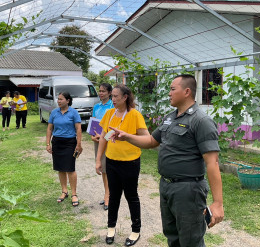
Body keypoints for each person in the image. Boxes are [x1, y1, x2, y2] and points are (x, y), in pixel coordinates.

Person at [109, 75, 224, 247]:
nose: (169, 93)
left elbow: (212, 163)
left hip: (188, 190)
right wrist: (126, 137)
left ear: (186, 92)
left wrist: (218, 203)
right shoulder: (170, 118)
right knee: (172, 236)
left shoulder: (201, 121)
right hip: (167, 186)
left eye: (172, 89)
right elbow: (150, 141)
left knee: (190, 239)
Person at [95, 84, 148, 246]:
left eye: (116, 96)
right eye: (112, 96)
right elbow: (104, 135)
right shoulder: (109, 113)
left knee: (131, 196)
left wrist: (128, 137)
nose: (113, 99)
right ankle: (111, 227)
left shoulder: (135, 115)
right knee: (114, 196)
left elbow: (146, 138)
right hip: (112, 162)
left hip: (130, 163)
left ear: (125, 97)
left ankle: (135, 230)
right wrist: (98, 160)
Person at [46, 91, 83, 207]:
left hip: (70, 143)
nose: (58, 101)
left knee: (70, 168)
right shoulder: (54, 112)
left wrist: (79, 144)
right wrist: (48, 143)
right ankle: (64, 191)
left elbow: (78, 129)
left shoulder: (74, 112)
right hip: (57, 142)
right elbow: (49, 129)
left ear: (68, 100)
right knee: (60, 168)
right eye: (58, 99)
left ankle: (74, 194)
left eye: (61, 99)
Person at [91, 83, 114, 211]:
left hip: (109, 141)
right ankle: (107, 193)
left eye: (103, 91)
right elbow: (93, 123)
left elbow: (115, 126)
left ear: (110, 93)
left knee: (107, 169)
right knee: (102, 168)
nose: (101, 93)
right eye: (99, 91)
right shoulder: (96, 107)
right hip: (97, 141)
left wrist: (104, 138)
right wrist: (92, 136)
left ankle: (108, 195)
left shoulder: (113, 107)